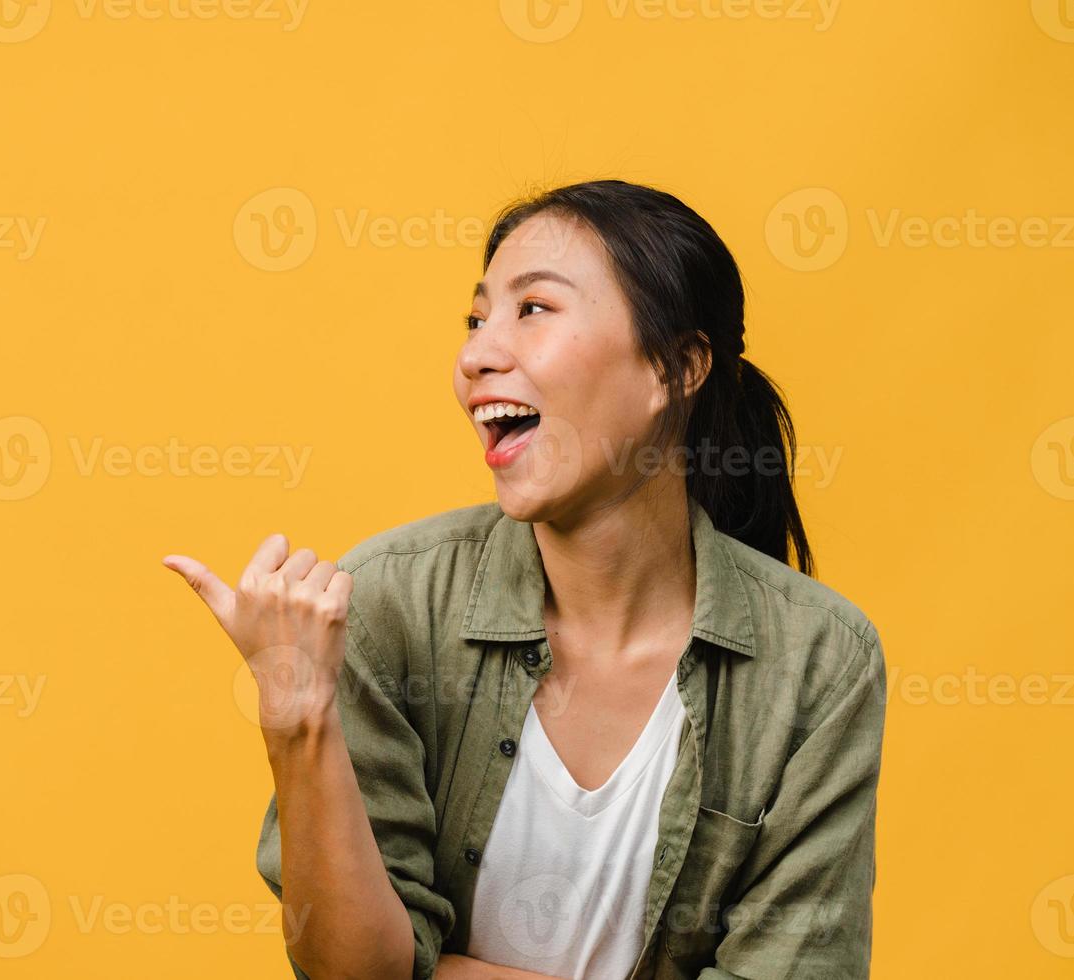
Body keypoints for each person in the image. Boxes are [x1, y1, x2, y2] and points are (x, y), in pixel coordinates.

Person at [163, 179, 887, 980]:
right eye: (476, 320)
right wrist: (297, 721)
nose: (476, 355)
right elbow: (354, 971)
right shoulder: (389, 606)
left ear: (676, 368)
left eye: (533, 310)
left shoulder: (820, 661)